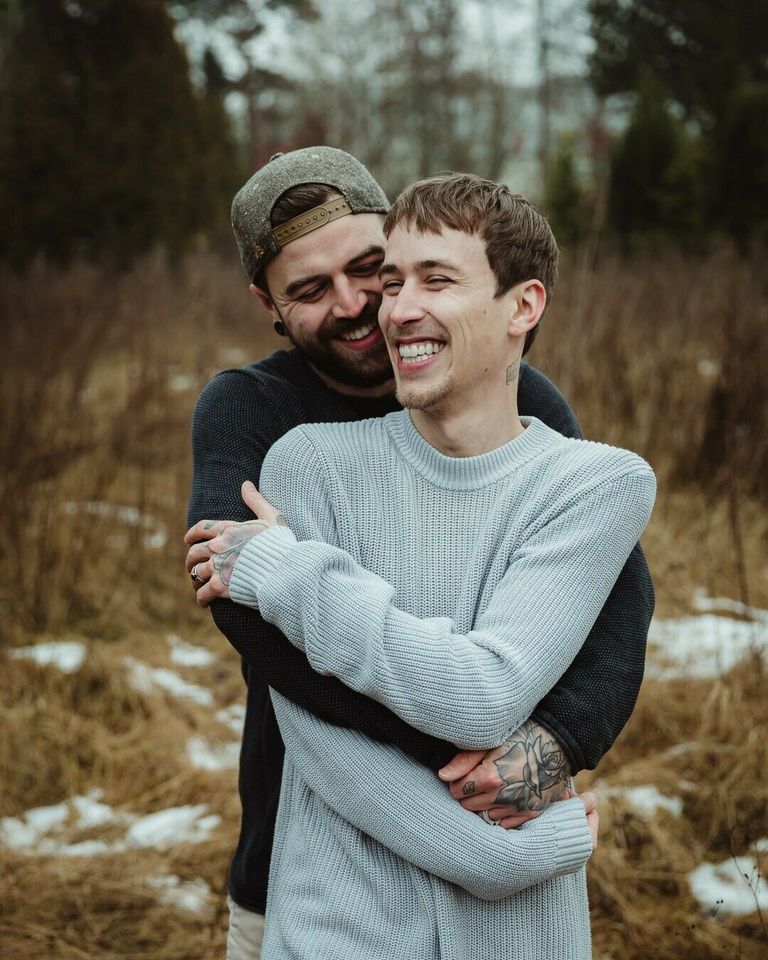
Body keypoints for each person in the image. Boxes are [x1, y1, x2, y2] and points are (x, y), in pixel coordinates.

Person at [186, 148, 655, 958]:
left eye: (378, 270)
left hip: (508, 863)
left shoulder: (535, 415)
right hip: (321, 854)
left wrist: (557, 744)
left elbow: (615, 600)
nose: (367, 306)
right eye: (309, 289)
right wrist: (469, 764)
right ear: (267, 304)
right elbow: (253, 616)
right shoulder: (270, 428)